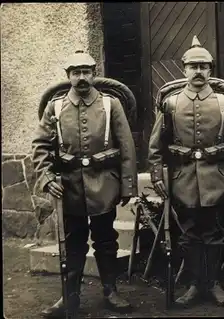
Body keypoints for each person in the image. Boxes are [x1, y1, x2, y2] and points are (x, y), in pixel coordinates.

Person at [32, 50, 138, 318]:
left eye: (86, 72)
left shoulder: (110, 105)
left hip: (104, 185)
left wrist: (128, 187)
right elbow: (40, 147)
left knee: (106, 240)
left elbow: (126, 147)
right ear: (68, 76)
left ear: (94, 74)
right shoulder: (55, 107)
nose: (81, 77)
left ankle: (110, 291)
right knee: (72, 242)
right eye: (76, 72)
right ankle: (69, 297)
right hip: (69, 189)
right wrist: (46, 179)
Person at [148, 36, 224, 308]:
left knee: (214, 231)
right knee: (190, 234)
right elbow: (156, 143)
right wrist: (156, 175)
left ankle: (214, 284)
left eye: (204, 66)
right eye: (193, 66)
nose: (199, 72)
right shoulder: (170, 103)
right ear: (184, 70)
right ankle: (193, 285)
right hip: (183, 181)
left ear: (211, 70)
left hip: (217, 179)